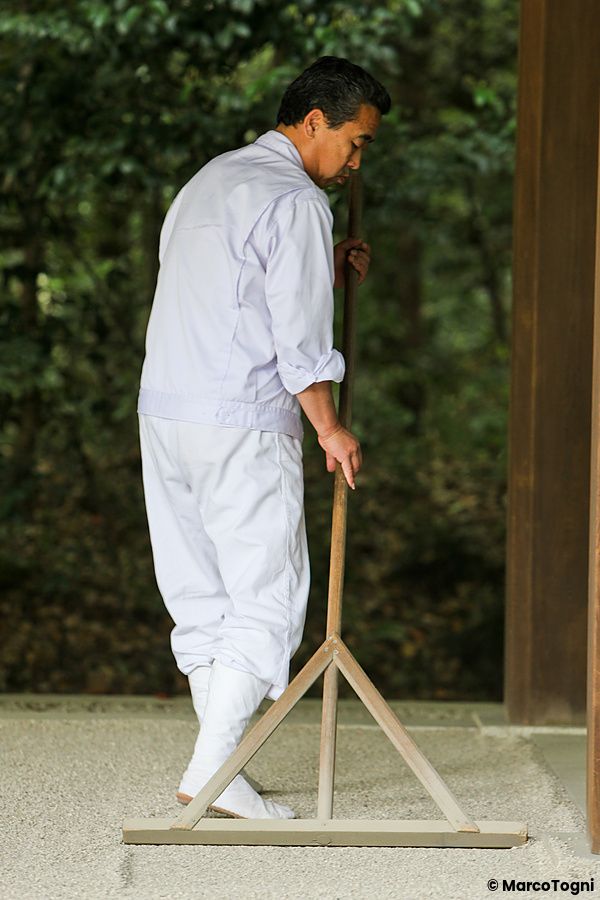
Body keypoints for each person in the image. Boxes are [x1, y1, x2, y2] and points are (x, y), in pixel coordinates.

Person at [137, 56, 391, 819]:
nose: (355, 160)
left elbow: (231, 291)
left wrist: (326, 269)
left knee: (203, 599)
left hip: (167, 414)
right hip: (240, 421)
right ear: (314, 121)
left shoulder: (210, 181)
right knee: (268, 601)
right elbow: (301, 345)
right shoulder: (297, 201)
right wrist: (330, 427)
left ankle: (222, 768)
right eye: (355, 141)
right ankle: (211, 774)